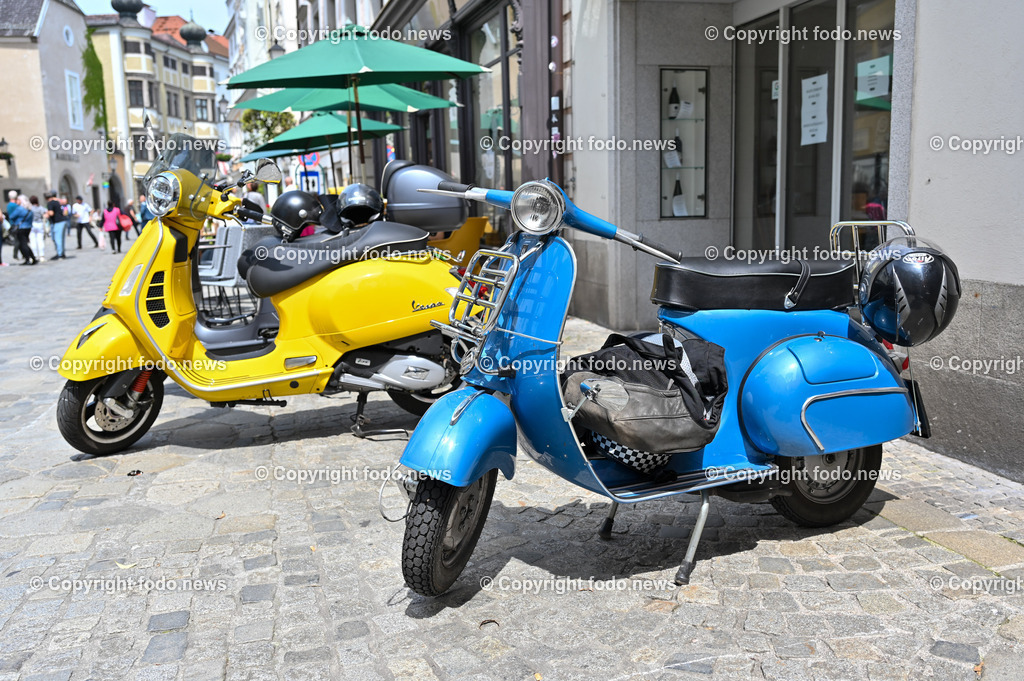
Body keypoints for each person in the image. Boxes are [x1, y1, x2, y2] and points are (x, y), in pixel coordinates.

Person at [9, 195, 37, 265]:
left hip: (21, 228)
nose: (16, 201)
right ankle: (33, 258)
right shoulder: (29, 209)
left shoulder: (19, 209)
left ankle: (28, 259)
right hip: (28, 227)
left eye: (18, 200)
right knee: (25, 243)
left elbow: (11, 216)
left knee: (23, 244)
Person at [47, 192, 68, 259]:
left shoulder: (51, 203)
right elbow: (65, 211)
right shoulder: (59, 202)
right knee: (61, 239)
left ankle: (60, 254)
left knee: (57, 239)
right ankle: (62, 253)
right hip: (63, 221)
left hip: (58, 222)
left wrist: (46, 213)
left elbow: (51, 213)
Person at [28, 196, 48, 261]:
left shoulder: (30, 208)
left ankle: (35, 255)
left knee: (33, 241)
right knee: (40, 240)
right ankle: (42, 256)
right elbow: (46, 213)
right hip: (39, 224)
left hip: (32, 224)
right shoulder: (40, 207)